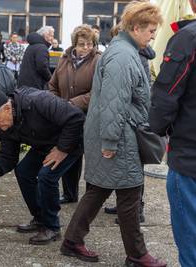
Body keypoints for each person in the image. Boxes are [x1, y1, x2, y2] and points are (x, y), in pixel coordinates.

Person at [60, 2, 166, 266]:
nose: (153, 35)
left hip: (116, 132)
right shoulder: (122, 56)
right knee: (129, 194)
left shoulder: (125, 50)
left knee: (98, 189)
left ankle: (72, 241)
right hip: (119, 135)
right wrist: (109, 142)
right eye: (151, 30)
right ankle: (137, 254)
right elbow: (113, 103)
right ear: (135, 27)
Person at [0, 88, 85, 245]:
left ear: (8, 108)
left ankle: (52, 227)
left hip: (70, 142)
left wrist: (62, 149)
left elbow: (76, 118)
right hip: (44, 145)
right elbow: (9, 157)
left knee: (46, 176)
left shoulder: (38, 101)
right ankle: (40, 218)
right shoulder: (7, 124)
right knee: (23, 171)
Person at [149, 1, 196, 265]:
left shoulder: (187, 38)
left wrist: (156, 128)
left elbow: (165, 96)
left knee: (190, 237)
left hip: (189, 157)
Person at [104, 24, 156, 222]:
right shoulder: (132, 53)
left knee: (134, 165)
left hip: (134, 117)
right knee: (127, 165)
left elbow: (139, 89)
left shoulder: (136, 55)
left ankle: (137, 209)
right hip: (133, 114)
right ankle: (125, 206)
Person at [48, 24, 101, 204]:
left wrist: (73, 103)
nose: (86, 48)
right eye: (82, 44)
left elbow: (99, 91)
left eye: (90, 44)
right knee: (69, 151)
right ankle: (70, 194)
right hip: (66, 117)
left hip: (89, 117)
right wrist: (58, 104)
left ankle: (92, 198)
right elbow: (52, 85)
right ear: (74, 44)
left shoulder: (98, 61)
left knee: (92, 158)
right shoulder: (64, 60)